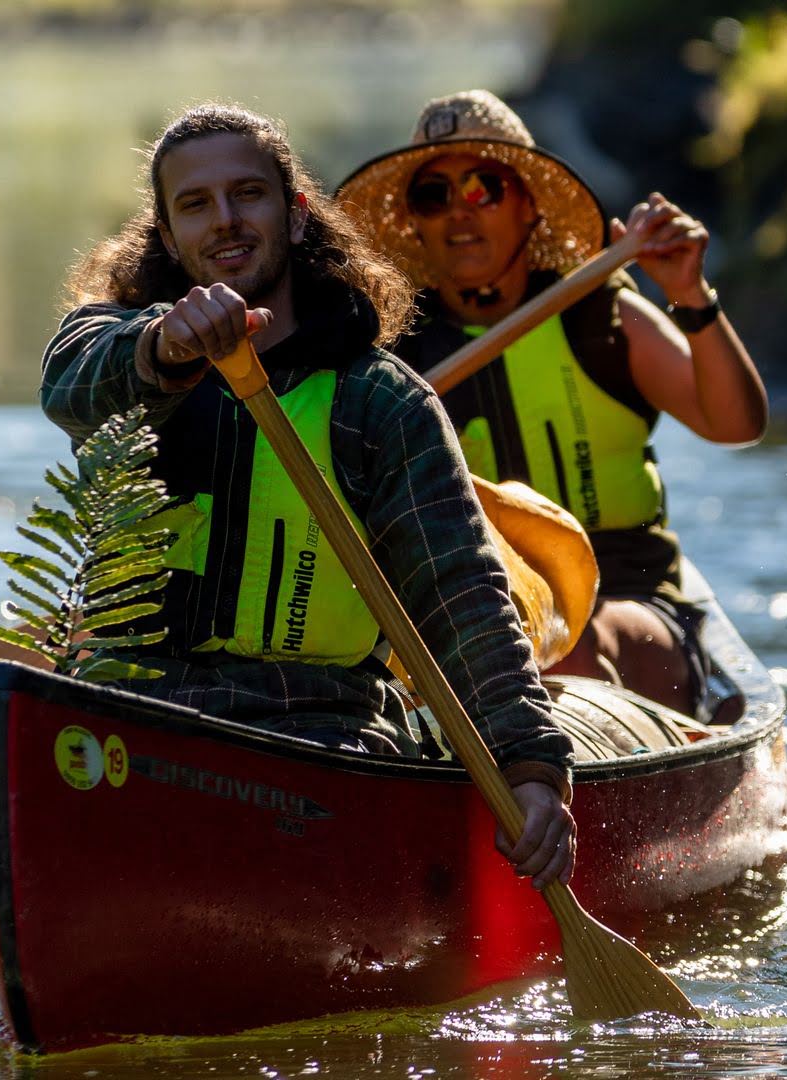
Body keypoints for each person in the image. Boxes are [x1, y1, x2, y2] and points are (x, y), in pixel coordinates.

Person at [40, 103, 575, 888]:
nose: (224, 220)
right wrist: (166, 345)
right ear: (167, 237)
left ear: (294, 219)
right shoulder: (120, 358)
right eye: (195, 204)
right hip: (139, 715)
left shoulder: (382, 402)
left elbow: (460, 595)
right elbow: (70, 380)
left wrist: (531, 768)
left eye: (247, 195)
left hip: (321, 728)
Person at [337, 90, 768, 723]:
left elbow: (737, 424)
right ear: (416, 225)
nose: (460, 212)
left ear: (527, 208)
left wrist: (688, 295)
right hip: (468, 616)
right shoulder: (391, 360)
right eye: (434, 196)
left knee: (566, 647)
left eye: (484, 188)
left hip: (629, 601)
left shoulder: (600, 315)